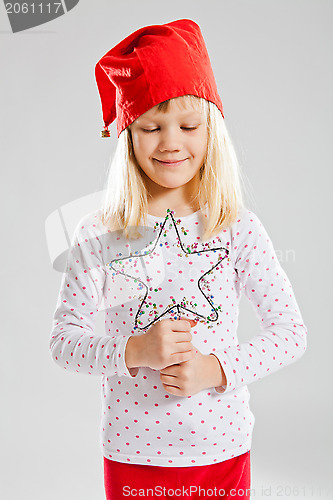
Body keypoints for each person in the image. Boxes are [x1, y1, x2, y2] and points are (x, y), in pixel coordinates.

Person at [50, 19, 307, 500]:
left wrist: (217, 368)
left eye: (188, 126)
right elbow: (63, 343)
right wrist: (134, 351)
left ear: (212, 130)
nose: (171, 142)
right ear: (127, 135)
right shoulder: (98, 234)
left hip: (221, 451)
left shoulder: (236, 227)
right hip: (132, 454)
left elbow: (291, 333)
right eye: (151, 127)